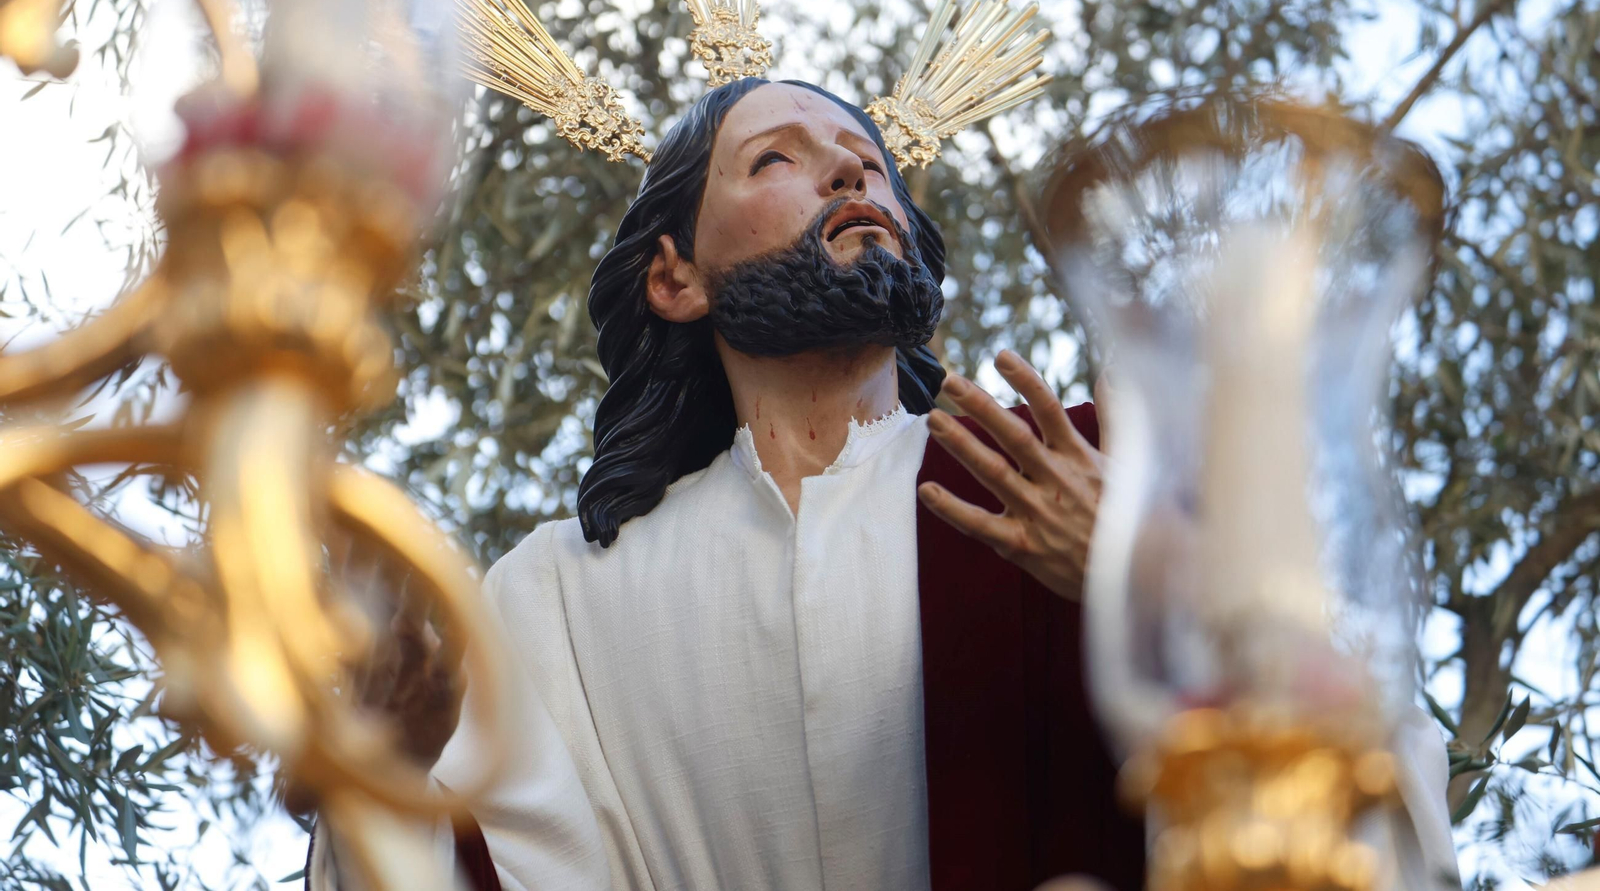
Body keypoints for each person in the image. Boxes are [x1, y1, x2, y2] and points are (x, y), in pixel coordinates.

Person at [308, 78, 1460, 891]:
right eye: (776, 158)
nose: (852, 168)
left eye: (866, 159)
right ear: (673, 277)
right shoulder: (551, 600)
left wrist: (1149, 576)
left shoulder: (1087, 468)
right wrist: (380, 770)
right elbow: (467, 863)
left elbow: (1341, 780)